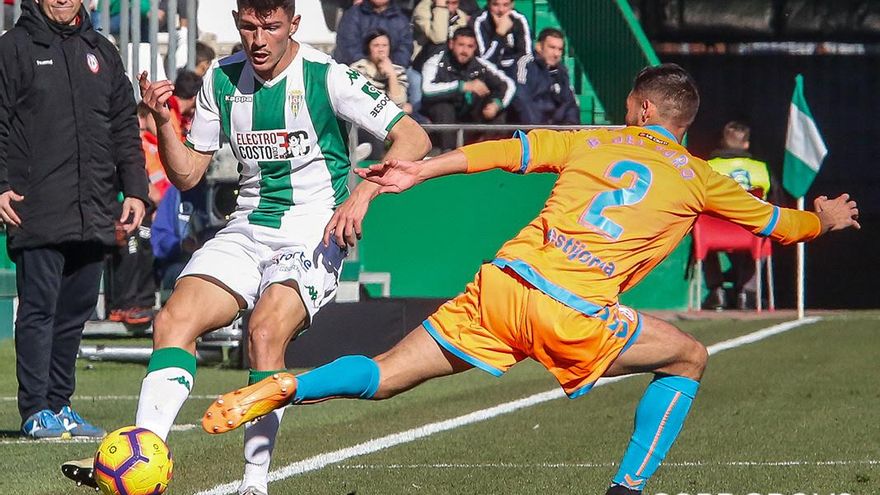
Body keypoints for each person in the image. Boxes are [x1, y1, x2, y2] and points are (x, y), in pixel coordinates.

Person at [201, 64, 860, 494]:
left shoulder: (592, 141)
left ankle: (288, 383)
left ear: (639, 108)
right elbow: (783, 226)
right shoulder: (703, 178)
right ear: (682, 122)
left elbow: (504, 152)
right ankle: (626, 488)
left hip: (503, 285)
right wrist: (824, 219)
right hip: (574, 307)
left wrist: (419, 170)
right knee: (689, 356)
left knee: (386, 373)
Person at [60, 0, 430, 493]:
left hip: (313, 231)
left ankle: (254, 483)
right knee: (173, 321)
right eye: (250, 26)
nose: (258, 39)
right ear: (238, 22)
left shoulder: (327, 76)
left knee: (265, 331)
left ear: (293, 24)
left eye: (271, 27)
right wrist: (164, 121)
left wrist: (362, 195)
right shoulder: (220, 78)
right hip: (246, 227)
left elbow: (414, 138)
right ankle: (143, 456)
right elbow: (188, 174)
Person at [0, 0, 148, 438]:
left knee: (75, 312)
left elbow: (124, 125)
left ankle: (60, 405)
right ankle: (35, 410)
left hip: (95, 209)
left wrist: (135, 188)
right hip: (37, 206)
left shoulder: (101, 50)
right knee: (39, 309)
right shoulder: (14, 47)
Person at [702, 121, 773, 310]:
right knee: (766, 233)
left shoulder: (708, 167)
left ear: (722, 142)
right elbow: (776, 204)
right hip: (750, 231)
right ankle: (747, 293)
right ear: (746, 144)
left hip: (714, 233)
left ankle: (716, 290)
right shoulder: (761, 168)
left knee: (699, 233)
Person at [421, 26, 515, 150]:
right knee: (443, 108)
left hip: (470, 115)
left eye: (470, 46)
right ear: (451, 44)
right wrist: (462, 86)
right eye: (461, 45)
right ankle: (448, 153)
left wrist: (496, 104)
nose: (465, 51)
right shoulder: (436, 62)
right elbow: (427, 89)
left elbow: (508, 84)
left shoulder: (481, 65)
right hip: (441, 119)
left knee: (497, 112)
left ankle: (490, 153)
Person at [410, 0, 470, 116]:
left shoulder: (460, 16)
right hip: (420, 63)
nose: (451, 7)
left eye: (454, 3)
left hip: (448, 64)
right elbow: (438, 37)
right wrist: (441, 7)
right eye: (447, 3)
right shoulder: (423, 10)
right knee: (416, 85)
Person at [513, 27, 579, 125]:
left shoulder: (561, 71)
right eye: (552, 47)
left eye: (560, 49)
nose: (556, 54)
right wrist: (537, 128)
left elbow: (570, 103)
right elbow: (521, 98)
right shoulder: (525, 64)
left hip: (555, 129)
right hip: (530, 128)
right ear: (539, 47)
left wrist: (570, 126)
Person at [333, 0, 413, 68]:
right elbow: (348, 47)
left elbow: (405, 48)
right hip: (358, 68)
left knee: (415, 78)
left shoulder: (400, 18)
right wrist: (370, 67)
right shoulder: (353, 15)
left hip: (391, 69)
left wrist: (392, 67)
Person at [473, 0, 532, 79]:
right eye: (495, 4)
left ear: (512, 5)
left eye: (505, 5)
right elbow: (484, 62)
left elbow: (527, 56)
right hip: (490, 75)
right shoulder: (480, 21)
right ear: (488, 4)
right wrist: (499, 34)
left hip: (516, 72)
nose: (501, 10)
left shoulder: (519, 19)